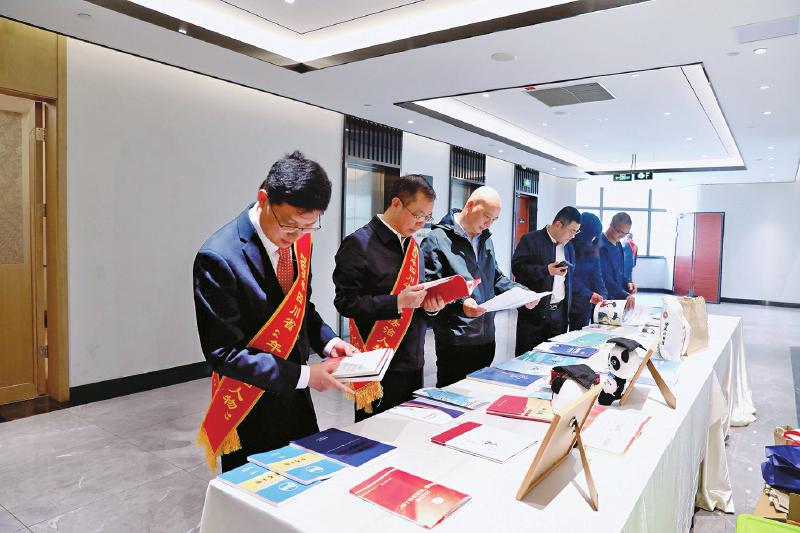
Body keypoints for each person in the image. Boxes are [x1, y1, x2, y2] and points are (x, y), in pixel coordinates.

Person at [193, 151, 358, 472]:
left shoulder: (299, 242)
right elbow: (223, 354)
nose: (295, 236)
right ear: (264, 199)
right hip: (248, 404)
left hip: (297, 400)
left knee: (307, 478)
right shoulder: (219, 257)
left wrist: (329, 342)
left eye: (309, 227)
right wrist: (306, 375)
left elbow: (302, 308)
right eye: (289, 225)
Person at [333, 175, 445, 421]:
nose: (421, 223)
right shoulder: (358, 244)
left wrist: (432, 308)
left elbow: (416, 302)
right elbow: (345, 302)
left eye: (427, 217)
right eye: (417, 215)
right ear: (396, 203)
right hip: (377, 363)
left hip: (413, 358)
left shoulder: (413, 246)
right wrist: (396, 302)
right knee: (375, 434)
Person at [422, 186, 540, 388]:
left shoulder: (485, 239)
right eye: (486, 216)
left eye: (494, 219)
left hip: (486, 336)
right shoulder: (437, 239)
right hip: (456, 338)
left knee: (481, 392)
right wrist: (461, 303)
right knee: (453, 394)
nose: (489, 224)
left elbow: (495, 277)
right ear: (470, 205)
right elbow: (431, 288)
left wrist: (522, 293)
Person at [512, 206, 580, 356]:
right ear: (558, 224)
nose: (573, 236)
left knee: (555, 360)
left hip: (559, 315)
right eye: (571, 231)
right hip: (534, 316)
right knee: (528, 358)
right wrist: (546, 270)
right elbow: (517, 269)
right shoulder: (531, 240)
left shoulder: (568, 247)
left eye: (576, 232)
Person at [570, 212, 608, 329]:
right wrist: (588, 294)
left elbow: (597, 277)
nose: (594, 239)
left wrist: (603, 296)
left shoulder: (593, 249)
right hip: (570, 298)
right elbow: (570, 278)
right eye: (592, 235)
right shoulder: (569, 247)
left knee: (581, 332)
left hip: (585, 302)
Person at [599, 212, 636, 308]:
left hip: (618, 297)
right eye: (620, 232)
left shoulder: (619, 244)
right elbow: (604, 278)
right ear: (611, 224)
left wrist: (628, 283)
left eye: (625, 234)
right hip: (604, 298)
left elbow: (620, 272)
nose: (622, 236)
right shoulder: (600, 245)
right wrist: (624, 294)